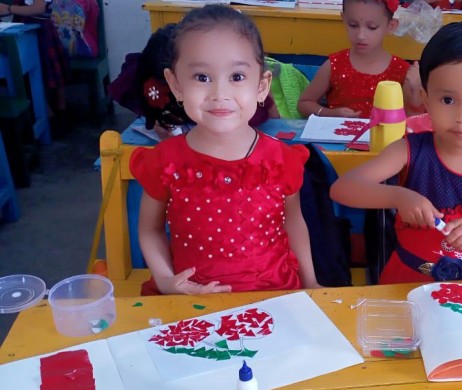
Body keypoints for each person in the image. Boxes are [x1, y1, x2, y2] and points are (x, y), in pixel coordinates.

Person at [130, 5, 319, 295]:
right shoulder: (165, 162)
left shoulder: (281, 159)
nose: (220, 94)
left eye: (237, 77)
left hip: (275, 296)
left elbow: (293, 222)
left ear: (262, 86)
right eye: (202, 77)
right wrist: (166, 280)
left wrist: (310, 282)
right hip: (191, 300)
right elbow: (150, 229)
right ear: (176, 85)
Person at [330, 22, 462, 284]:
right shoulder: (409, 150)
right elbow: (342, 188)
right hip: (405, 282)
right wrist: (399, 197)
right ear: (426, 98)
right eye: (448, 100)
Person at [108, 23, 279, 142]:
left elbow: (274, 120)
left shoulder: (241, 99)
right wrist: (161, 121)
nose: (219, 94)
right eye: (201, 78)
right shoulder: (145, 77)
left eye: (203, 78)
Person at [297, 0, 423, 119]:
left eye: (372, 27)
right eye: (353, 25)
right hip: (336, 134)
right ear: (344, 19)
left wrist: (416, 90)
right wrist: (330, 114)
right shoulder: (334, 65)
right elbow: (304, 103)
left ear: (391, 26)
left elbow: (414, 120)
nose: (361, 35)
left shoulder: (404, 72)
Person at [1, 0, 69, 123]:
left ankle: (52, 115)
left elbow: (39, 8)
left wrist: (9, 9)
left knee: (38, 74)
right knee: (43, 73)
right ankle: (55, 112)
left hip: (36, 30)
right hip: (27, 27)